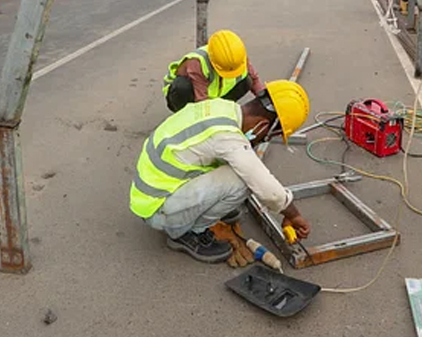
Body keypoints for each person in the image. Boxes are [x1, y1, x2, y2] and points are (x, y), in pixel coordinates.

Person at [130, 79, 312, 263]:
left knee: (240, 167)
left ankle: (195, 212)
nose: (263, 140)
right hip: (157, 209)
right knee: (243, 180)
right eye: (268, 137)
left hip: (150, 194)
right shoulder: (227, 136)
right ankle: (189, 233)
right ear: (263, 126)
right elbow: (269, 191)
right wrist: (293, 215)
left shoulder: (221, 107)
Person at [163, 29, 265, 113]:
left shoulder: (237, 56)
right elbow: (201, 101)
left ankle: (221, 109)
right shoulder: (197, 63)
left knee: (247, 81)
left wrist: (266, 100)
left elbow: (255, 80)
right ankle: (185, 117)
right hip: (185, 96)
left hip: (215, 94)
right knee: (182, 86)